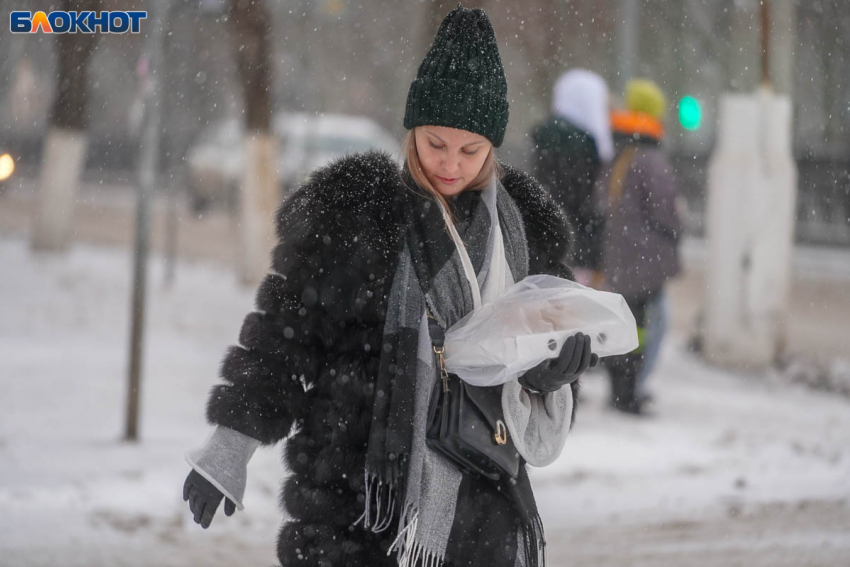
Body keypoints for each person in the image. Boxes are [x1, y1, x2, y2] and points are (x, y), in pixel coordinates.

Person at [182, 7, 598, 567]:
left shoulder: (524, 233)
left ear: (492, 147)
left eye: (469, 150)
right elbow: (283, 340)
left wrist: (557, 367)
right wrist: (228, 450)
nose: (450, 164)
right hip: (358, 501)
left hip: (482, 505)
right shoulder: (355, 211)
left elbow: (559, 329)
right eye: (435, 143)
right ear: (411, 131)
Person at [596, 78, 682, 415]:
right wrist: (676, 228)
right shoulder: (651, 159)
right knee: (644, 328)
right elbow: (666, 209)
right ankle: (629, 394)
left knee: (625, 326)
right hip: (645, 261)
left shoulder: (618, 153)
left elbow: (601, 201)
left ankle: (620, 390)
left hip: (619, 256)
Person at [530, 69, 614, 286]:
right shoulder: (581, 145)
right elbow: (584, 204)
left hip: (551, 248)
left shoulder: (549, 140)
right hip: (577, 250)